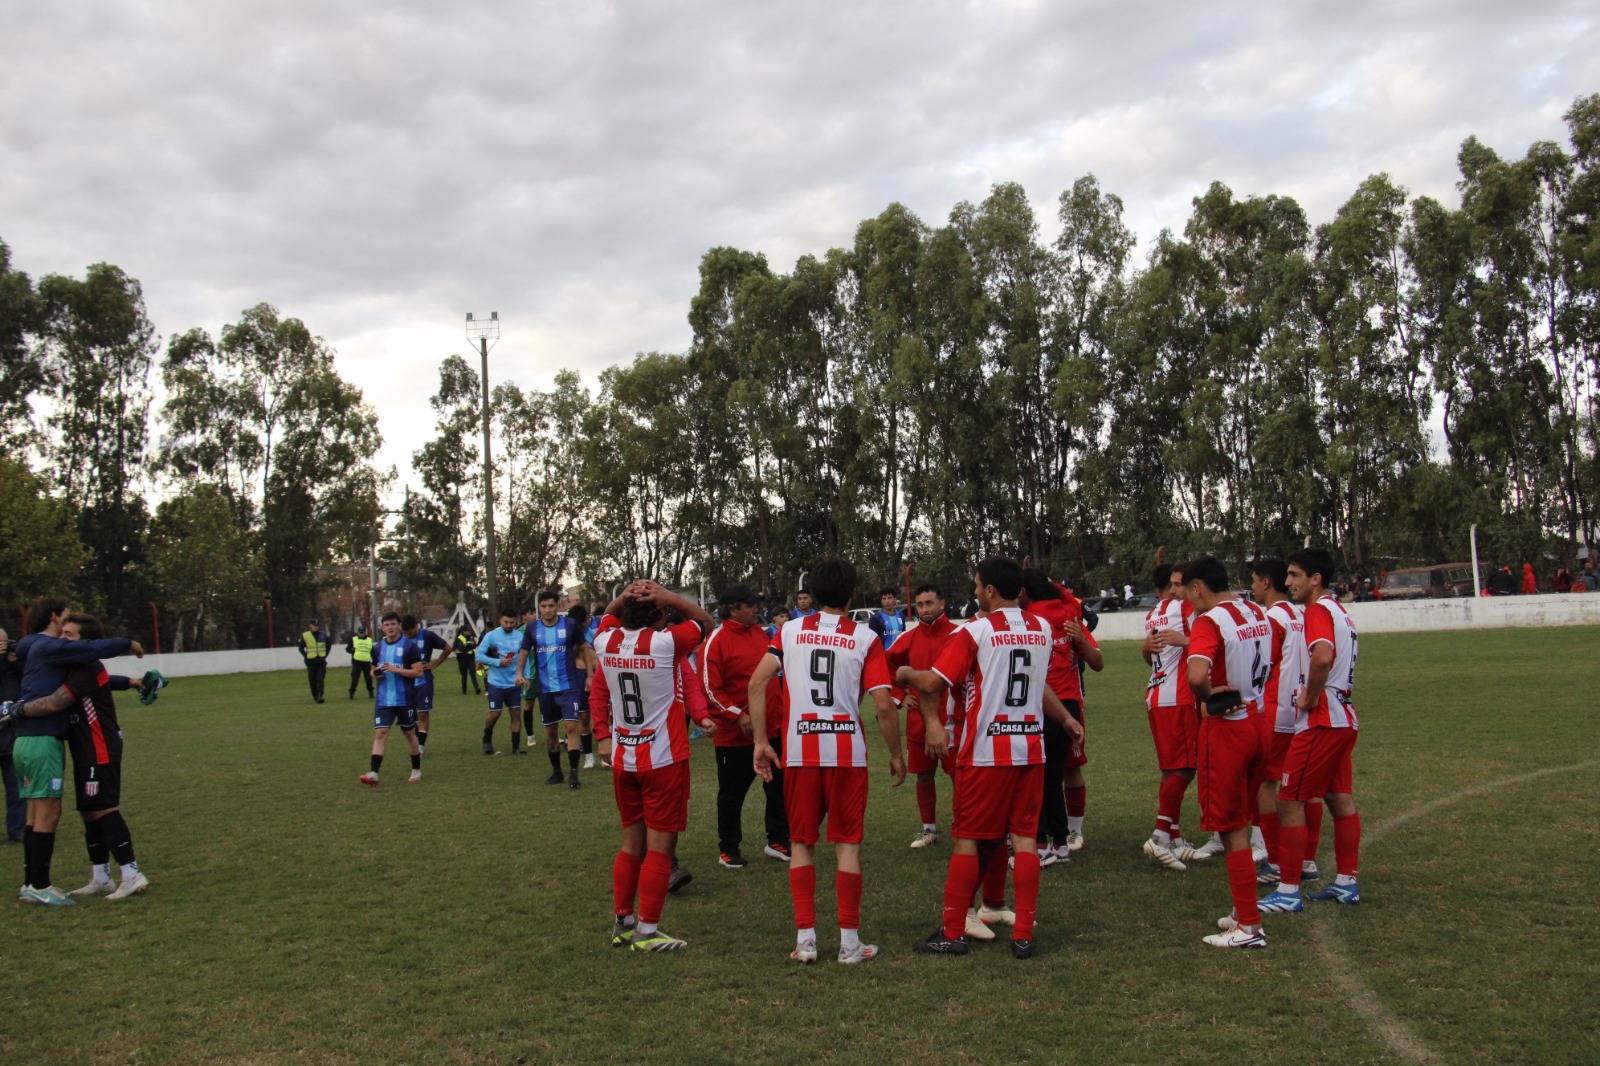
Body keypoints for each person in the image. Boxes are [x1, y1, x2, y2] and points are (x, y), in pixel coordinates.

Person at [900, 557, 1082, 959]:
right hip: (1030, 750)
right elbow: (1038, 685)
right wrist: (1067, 718)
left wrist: (905, 675)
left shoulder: (977, 631)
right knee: (1024, 841)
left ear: (991, 590)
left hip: (986, 753)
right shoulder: (1040, 628)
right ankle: (1024, 934)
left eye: (977, 584)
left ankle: (952, 932)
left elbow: (932, 682)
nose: (975, 590)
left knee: (967, 840)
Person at [749, 556, 905, 965]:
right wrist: (896, 754)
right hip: (846, 754)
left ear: (813, 595)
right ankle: (850, 944)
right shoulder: (865, 637)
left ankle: (806, 941)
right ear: (853, 594)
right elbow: (884, 704)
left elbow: (757, 682)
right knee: (847, 845)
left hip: (800, 752)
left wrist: (761, 741)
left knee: (801, 844)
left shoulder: (788, 631)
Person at [590, 580, 712, 952]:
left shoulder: (605, 641)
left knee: (631, 844)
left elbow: (607, 614)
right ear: (660, 613)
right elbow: (707, 622)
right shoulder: (665, 643)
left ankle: (622, 922)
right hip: (662, 759)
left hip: (624, 758)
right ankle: (647, 931)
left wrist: (623, 596)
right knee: (660, 848)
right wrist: (669, 596)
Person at [2, 613, 153, 900]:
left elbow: (56, 701)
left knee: (104, 808)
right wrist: (130, 682)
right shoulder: (73, 665)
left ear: (86, 641)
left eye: (68, 635)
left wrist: (17, 709)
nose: (61, 638)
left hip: (99, 746)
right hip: (84, 749)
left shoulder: (86, 667)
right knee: (89, 810)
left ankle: (132, 874)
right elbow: (104, 680)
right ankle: (101, 878)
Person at [1259, 547, 1365, 914]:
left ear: (1315, 579)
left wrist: (1310, 696)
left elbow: (1322, 656)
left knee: (1290, 800)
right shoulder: (1340, 612)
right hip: (1344, 717)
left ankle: (1288, 891)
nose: (1288, 582)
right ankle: (1346, 882)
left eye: (1294, 575)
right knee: (1338, 798)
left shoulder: (1318, 610)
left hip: (1323, 720)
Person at [1176, 557, 1274, 948]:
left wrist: (1208, 696)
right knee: (1243, 820)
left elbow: (1197, 675)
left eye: (1186, 591)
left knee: (1231, 827)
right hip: (1259, 720)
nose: (1186, 599)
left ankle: (1249, 927)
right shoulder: (1255, 610)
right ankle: (1243, 909)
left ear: (1198, 588)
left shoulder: (1209, 621)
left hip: (1229, 729)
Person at [699, 584, 790, 869]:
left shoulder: (761, 634)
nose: (756, 610)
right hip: (734, 737)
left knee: (778, 787)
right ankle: (728, 848)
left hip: (771, 728)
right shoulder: (715, 641)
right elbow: (709, 689)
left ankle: (778, 840)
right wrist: (736, 713)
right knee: (732, 794)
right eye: (750, 606)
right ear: (733, 610)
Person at [1019, 569, 1103, 864]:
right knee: (1053, 775)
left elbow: (1096, 661)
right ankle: (1060, 843)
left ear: (1024, 593)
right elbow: (1099, 663)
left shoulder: (1026, 621)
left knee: (1037, 776)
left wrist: (1081, 641)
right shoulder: (1069, 614)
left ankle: (1041, 844)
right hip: (1067, 705)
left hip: (1042, 705)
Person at [1140, 563, 1210, 870]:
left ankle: (1174, 836)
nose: (1178, 590)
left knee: (1172, 770)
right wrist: (1186, 641)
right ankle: (1159, 837)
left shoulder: (1153, 613)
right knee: (1185, 769)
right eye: (1176, 584)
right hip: (1178, 697)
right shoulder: (1184, 609)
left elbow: (1151, 653)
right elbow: (1208, 642)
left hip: (1156, 694)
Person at [885, 584, 959, 851]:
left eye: (929, 603)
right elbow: (885, 665)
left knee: (958, 777)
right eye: (920, 605)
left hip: (953, 722)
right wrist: (899, 695)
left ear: (942, 604)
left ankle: (963, 826)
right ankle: (929, 829)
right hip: (919, 721)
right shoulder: (909, 637)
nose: (925, 609)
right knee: (924, 776)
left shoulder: (958, 634)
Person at [1250, 558, 1305, 887]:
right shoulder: (1299, 614)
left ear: (1266, 583)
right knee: (1299, 787)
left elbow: (1261, 664)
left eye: (1254, 581)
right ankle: (1305, 858)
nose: (1253, 587)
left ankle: (1275, 860)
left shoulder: (1271, 619)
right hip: (1299, 709)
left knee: (1265, 785)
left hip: (1274, 709)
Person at [517, 589, 590, 789]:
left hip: (568, 686)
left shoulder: (570, 625)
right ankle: (557, 771)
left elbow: (584, 648)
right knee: (550, 732)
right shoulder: (533, 628)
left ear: (558, 606)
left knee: (571, 727)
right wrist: (519, 673)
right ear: (539, 608)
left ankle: (574, 774)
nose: (547, 610)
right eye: (543, 606)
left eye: (551, 606)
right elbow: (523, 652)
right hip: (545, 689)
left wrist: (590, 675)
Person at [358, 612, 426, 786]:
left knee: (409, 733)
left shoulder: (409, 647)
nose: (390, 627)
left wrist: (396, 670)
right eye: (387, 625)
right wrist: (376, 673)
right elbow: (372, 670)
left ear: (399, 626)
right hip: (384, 700)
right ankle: (374, 773)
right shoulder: (377, 648)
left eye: (393, 624)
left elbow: (418, 672)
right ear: (382, 627)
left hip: (405, 699)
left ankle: (416, 769)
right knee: (380, 733)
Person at [476, 608, 525, 755]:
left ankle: (516, 747)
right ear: (500, 620)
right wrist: (498, 662)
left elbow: (524, 657)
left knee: (515, 713)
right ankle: (487, 738)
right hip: (496, 682)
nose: (508, 625)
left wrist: (524, 676)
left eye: (511, 622)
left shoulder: (520, 637)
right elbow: (479, 656)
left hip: (513, 683)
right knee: (495, 713)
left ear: (516, 621)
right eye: (506, 622)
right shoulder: (491, 636)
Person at [402, 617, 451, 755]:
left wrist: (434, 665)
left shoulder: (428, 636)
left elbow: (447, 648)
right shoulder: (401, 639)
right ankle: (417, 739)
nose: (407, 636)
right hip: (406, 682)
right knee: (408, 717)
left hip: (424, 681)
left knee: (423, 714)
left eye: (410, 633)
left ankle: (420, 747)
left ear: (416, 626)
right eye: (405, 633)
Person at [566, 604, 601, 768]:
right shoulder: (571, 633)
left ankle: (606, 753)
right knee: (584, 716)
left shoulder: (598, 626)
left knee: (605, 713)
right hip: (581, 675)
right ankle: (588, 756)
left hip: (601, 674)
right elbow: (570, 655)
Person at [1, 628, 22, 842]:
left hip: (11, 734)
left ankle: (17, 829)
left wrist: (14, 660)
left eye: (4, 642)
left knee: (15, 786)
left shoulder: (14, 665)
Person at [299, 617, 331, 703]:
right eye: (314, 625)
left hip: (321, 661)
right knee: (312, 680)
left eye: (317, 625)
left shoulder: (323, 635)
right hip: (311, 661)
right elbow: (301, 648)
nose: (316, 627)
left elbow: (328, 645)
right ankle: (315, 696)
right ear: (310, 626)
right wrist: (306, 656)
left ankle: (320, 695)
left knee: (320, 679)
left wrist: (325, 655)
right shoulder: (305, 635)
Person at [345, 624, 374, 700]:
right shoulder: (353, 639)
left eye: (363, 632)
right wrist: (354, 652)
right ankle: (351, 694)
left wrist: (374, 660)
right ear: (358, 632)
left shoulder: (369, 640)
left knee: (368, 679)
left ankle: (371, 694)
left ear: (365, 632)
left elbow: (372, 651)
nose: (361, 634)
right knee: (355, 679)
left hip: (367, 662)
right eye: (360, 632)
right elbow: (347, 649)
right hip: (356, 662)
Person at [454, 623, 482, 695]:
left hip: (470, 657)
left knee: (472, 673)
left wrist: (467, 644)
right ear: (464, 631)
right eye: (468, 630)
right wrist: (469, 645)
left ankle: (477, 688)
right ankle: (464, 690)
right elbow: (461, 648)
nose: (469, 632)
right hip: (462, 657)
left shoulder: (471, 637)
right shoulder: (459, 638)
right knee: (464, 674)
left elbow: (474, 645)